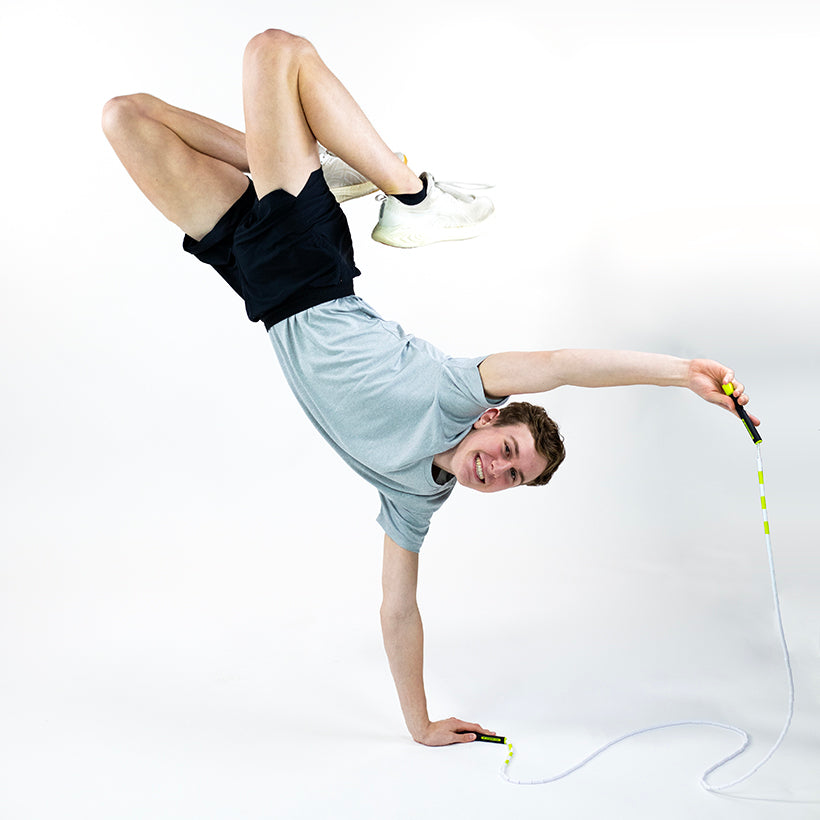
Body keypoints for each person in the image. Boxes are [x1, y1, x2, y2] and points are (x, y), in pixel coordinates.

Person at [101, 28, 759, 748]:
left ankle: (334, 163)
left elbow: (398, 610)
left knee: (126, 116)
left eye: (512, 477)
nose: (497, 469)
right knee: (274, 50)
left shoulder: (413, 501)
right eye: (508, 450)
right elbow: (563, 363)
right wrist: (680, 372)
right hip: (308, 264)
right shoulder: (458, 391)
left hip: (253, 280)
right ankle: (409, 190)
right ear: (491, 420)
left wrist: (419, 725)